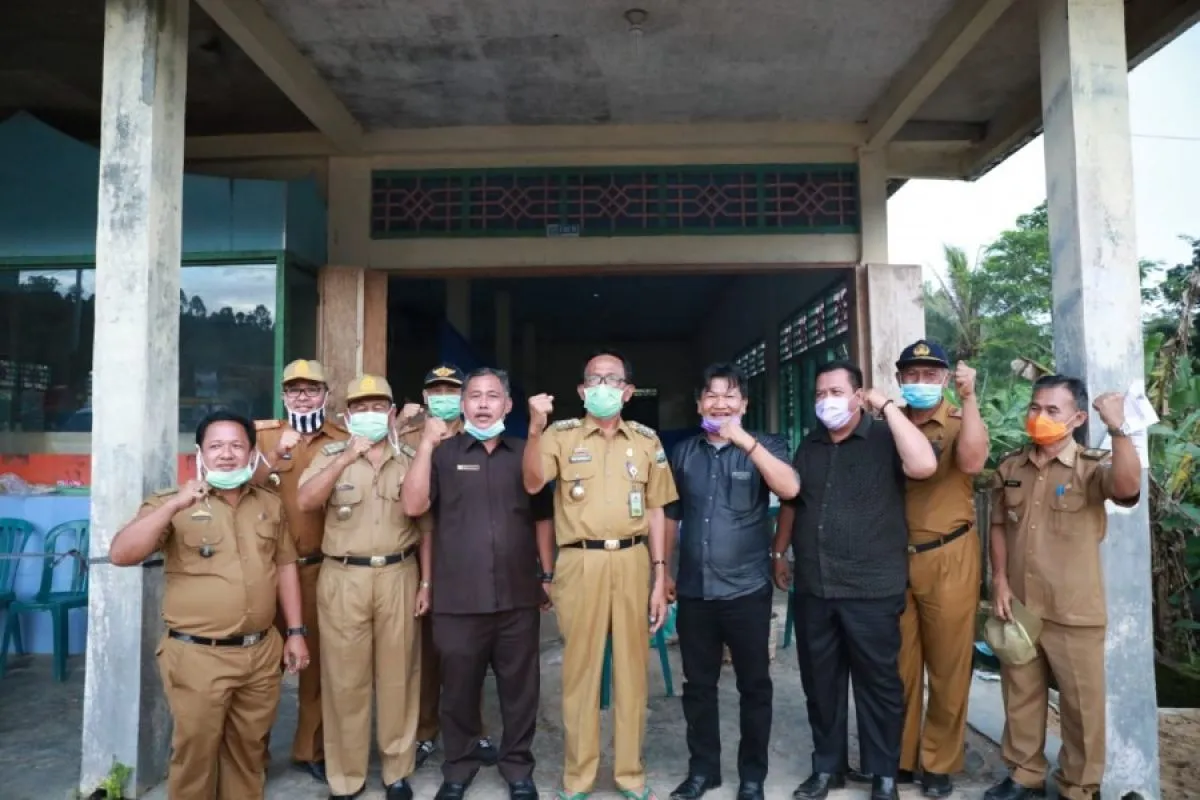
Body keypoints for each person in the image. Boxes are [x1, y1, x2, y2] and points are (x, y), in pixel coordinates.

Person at [109, 410, 309, 800]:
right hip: (198, 655)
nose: (226, 454)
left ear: (252, 454)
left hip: (260, 653)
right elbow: (121, 554)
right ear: (199, 453)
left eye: (237, 446)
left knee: (249, 752)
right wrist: (174, 506)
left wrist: (296, 632)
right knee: (195, 755)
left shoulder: (268, 503)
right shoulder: (171, 502)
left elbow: (285, 566)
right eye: (216, 446)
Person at [771, 361, 937, 800]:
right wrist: (779, 551)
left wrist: (888, 408)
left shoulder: (886, 437)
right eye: (820, 393)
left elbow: (924, 465)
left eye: (836, 392)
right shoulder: (810, 444)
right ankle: (828, 768)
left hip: (871, 587)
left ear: (859, 396)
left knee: (878, 685)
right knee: (820, 684)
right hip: (815, 585)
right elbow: (792, 500)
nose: (826, 400)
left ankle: (884, 774)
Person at [522, 349, 678, 800]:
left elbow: (657, 509)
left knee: (633, 672)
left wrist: (660, 576)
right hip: (580, 562)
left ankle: (630, 773)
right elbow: (533, 482)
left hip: (632, 560)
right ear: (581, 390)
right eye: (595, 379)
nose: (603, 386)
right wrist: (534, 428)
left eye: (613, 380)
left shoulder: (646, 441)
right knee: (580, 672)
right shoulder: (561, 435)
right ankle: (579, 776)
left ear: (627, 392)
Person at [983, 375, 1140, 800]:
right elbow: (997, 525)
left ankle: (1079, 786)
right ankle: (1024, 776)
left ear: (1078, 418)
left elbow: (1127, 488)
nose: (1040, 416)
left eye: (1053, 410)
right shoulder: (1011, 467)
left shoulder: (1092, 467)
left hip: (1074, 610)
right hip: (1019, 605)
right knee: (1020, 696)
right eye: (1035, 407)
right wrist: (999, 580)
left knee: (1080, 707)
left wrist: (1118, 428)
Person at [401, 367, 556, 800]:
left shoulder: (524, 451)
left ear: (508, 405)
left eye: (493, 396)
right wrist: (425, 443)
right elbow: (412, 505)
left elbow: (542, 515)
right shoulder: (443, 453)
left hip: (517, 594)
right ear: (463, 404)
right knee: (458, 689)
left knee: (520, 689)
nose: (483, 404)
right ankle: (459, 765)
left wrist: (547, 574)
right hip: (458, 597)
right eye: (475, 396)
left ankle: (518, 767)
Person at [663, 363, 800, 800]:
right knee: (698, 687)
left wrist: (744, 440)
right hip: (695, 590)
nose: (720, 404)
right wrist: (661, 571)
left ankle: (752, 776)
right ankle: (703, 771)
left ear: (743, 403)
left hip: (747, 590)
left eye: (730, 396)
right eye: (712, 395)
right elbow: (669, 515)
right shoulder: (683, 453)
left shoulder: (767, 445)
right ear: (699, 404)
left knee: (753, 686)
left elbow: (790, 489)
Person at [297, 375, 432, 800]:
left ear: (392, 414)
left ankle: (397, 771)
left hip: (398, 573)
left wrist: (426, 581)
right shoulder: (329, 456)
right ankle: (346, 776)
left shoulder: (409, 458)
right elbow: (305, 501)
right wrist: (345, 458)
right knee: (344, 679)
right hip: (343, 577)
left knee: (399, 677)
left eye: (378, 407)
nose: (370, 414)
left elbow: (425, 525)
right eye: (361, 408)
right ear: (347, 415)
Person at [886, 341, 989, 798]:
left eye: (931, 375)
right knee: (899, 665)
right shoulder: (889, 423)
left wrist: (970, 399)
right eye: (912, 375)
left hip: (948, 555)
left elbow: (972, 462)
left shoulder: (961, 419)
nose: (921, 382)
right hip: (894, 558)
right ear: (899, 379)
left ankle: (939, 762)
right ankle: (902, 756)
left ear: (945, 379)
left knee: (948, 665)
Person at [397, 363, 500, 770]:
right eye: (435, 390)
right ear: (425, 397)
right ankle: (425, 731)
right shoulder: (408, 437)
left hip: (468, 557)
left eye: (451, 391)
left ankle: (475, 730)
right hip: (420, 551)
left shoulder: (477, 434)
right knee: (426, 654)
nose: (443, 397)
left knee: (470, 653)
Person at [253, 359, 348, 783]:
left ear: (326, 394)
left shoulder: (343, 439)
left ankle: (310, 749)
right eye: (295, 390)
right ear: (283, 395)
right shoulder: (260, 437)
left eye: (312, 389)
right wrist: (275, 454)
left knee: (317, 668)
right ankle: (252, 756)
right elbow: (238, 483)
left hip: (318, 568)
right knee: (259, 671)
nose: (303, 397)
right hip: (263, 572)